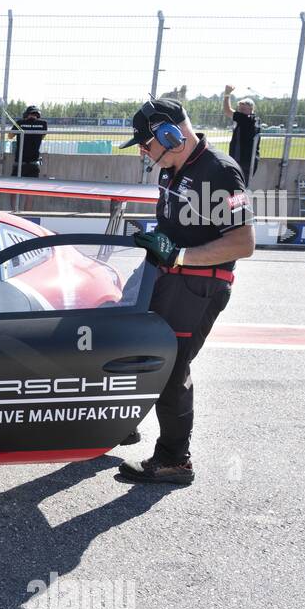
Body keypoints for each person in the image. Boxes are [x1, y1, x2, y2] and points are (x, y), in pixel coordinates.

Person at [115, 98, 255, 486]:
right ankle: (119, 424)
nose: (144, 151)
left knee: (172, 368)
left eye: (146, 143)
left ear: (170, 134)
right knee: (133, 347)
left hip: (200, 286)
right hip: (169, 277)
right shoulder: (172, 168)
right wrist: (159, 241)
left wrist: (178, 255)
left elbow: (243, 243)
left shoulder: (221, 172)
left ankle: (175, 460)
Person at [222, 85, 260, 184]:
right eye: (239, 109)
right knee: (238, 187)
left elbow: (227, 110)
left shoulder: (246, 119)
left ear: (251, 109)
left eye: (243, 109)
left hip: (242, 161)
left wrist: (227, 94)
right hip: (247, 161)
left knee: (236, 187)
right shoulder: (254, 119)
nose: (240, 111)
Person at [8, 105, 47, 178]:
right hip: (34, 161)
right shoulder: (43, 124)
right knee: (32, 184)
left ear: (26, 114)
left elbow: (10, 136)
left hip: (20, 160)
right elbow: (42, 137)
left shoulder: (20, 123)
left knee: (14, 183)